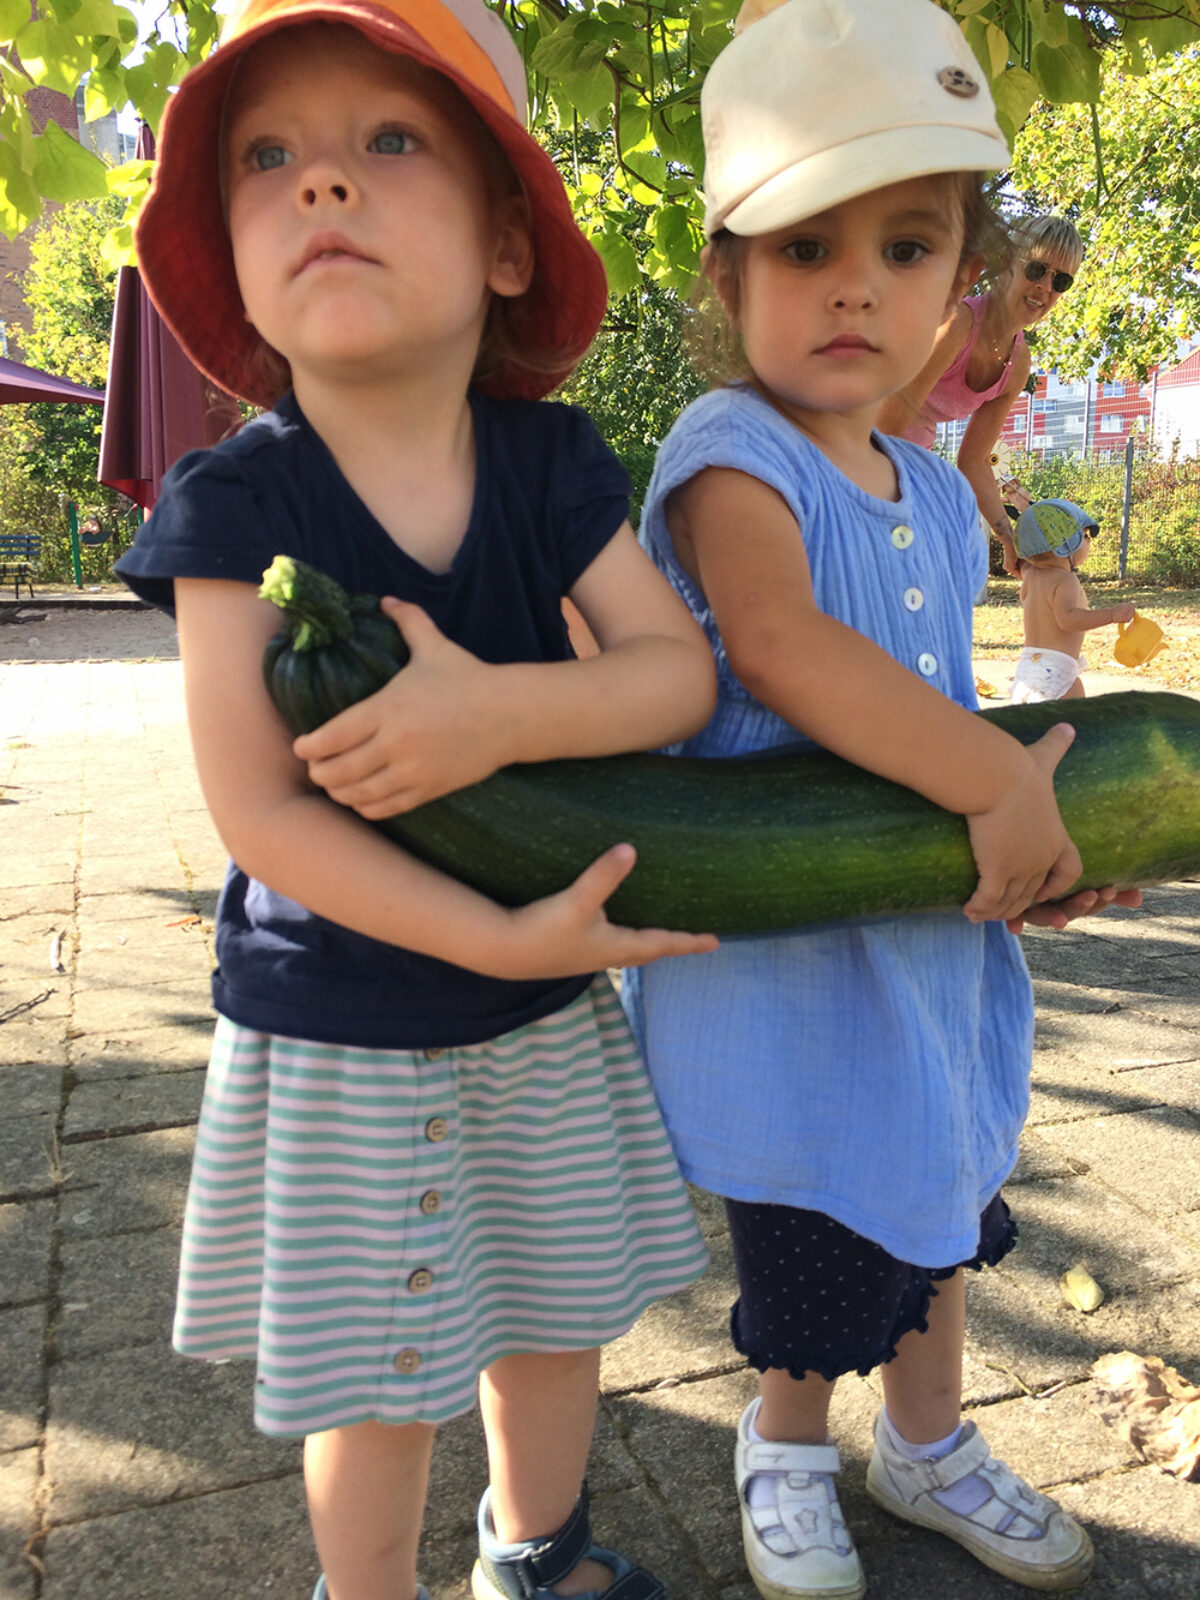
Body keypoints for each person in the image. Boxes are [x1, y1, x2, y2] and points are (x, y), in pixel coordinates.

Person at [113, 2, 722, 1598]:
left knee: (555, 1314)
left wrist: (493, 715)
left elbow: (675, 676)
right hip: (340, 1027)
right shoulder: (232, 502)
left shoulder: (551, 467)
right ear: (228, 254)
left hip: (542, 1007)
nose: (324, 185)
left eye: (389, 142)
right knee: (374, 1381)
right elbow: (264, 817)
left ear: (508, 245)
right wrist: (497, 933)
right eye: (269, 158)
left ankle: (534, 1551)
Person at [622, 1, 1114, 1594]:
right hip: (788, 955)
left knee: (944, 1196)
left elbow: (939, 706)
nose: (854, 283)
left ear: (956, 289)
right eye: (803, 245)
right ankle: (781, 1445)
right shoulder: (729, 454)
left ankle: (929, 1442)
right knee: (815, 1230)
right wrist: (987, 776)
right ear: (728, 277)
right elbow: (781, 642)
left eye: (905, 249)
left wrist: (1036, 830)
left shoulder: (939, 503)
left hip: (922, 940)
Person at [878, 214, 1085, 575]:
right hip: (859, 438)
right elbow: (887, 424)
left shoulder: (1018, 364)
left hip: (907, 452)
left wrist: (1009, 539)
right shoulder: (958, 324)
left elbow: (974, 461)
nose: (1046, 287)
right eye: (1037, 269)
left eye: (1061, 280)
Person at [1011, 499, 1135, 703]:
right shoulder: (1066, 580)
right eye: (1084, 536)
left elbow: (1025, 552)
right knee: (1074, 725)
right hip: (1056, 672)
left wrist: (1029, 518)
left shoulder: (1030, 574)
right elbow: (1067, 619)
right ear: (1065, 546)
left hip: (1026, 670)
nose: (1088, 542)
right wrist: (1111, 615)